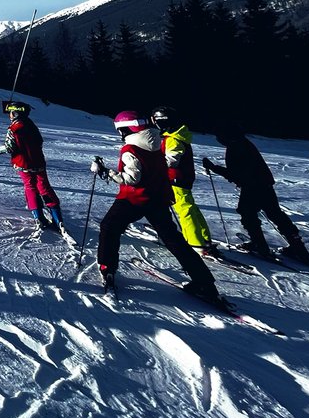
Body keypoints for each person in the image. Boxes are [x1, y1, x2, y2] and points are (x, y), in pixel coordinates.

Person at [91, 111, 220, 301]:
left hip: (133, 199)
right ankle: (204, 282)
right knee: (172, 238)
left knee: (109, 227)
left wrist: (107, 172)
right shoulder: (158, 142)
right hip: (158, 199)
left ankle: (107, 268)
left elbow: (132, 179)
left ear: (126, 129)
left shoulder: (130, 149)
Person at [203, 126, 309, 264]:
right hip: (264, 184)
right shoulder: (242, 142)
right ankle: (298, 249)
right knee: (276, 215)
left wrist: (214, 168)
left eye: (219, 137)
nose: (218, 140)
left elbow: (235, 174)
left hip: (253, 186)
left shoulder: (236, 147)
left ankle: (260, 246)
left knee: (248, 214)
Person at [0, 101, 64, 230]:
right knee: (44, 187)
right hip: (38, 162)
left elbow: (10, 148)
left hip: (23, 164)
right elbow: (39, 141)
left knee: (30, 187)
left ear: (15, 113)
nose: (9, 115)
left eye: (11, 112)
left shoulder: (14, 129)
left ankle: (38, 217)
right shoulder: (31, 125)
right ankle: (57, 218)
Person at [152, 106, 217, 257]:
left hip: (176, 179)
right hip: (183, 178)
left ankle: (195, 242)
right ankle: (203, 238)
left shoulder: (173, 140)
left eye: (156, 121)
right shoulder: (179, 136)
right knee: (190, 208)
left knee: (185, 210)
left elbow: (171, 161)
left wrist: (153, 164)